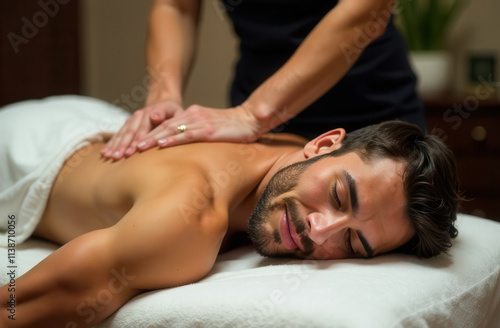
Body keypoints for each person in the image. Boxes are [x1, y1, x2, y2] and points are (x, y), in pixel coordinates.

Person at [0, 96, 459, 327]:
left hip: (91, 117)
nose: (321, 233)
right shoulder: (185, 226)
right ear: (322, 144)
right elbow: (17, 305)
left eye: (354, 243)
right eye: (340, 197)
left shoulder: (289, 155)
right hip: (23, 151)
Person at [101, 0, 427, 161]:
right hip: (257, 120)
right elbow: (176, 7)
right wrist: (163, 96)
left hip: (368, 109)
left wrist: (254, 114)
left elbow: (367, 9)